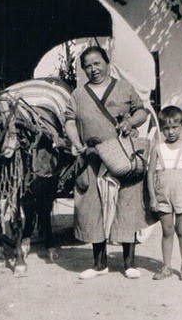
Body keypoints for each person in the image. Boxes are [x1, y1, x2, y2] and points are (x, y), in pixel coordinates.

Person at [64, 46, 149, 279]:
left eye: (97, 63)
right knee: (92, 206)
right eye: (88, 66)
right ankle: (99, 264)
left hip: (122, 155)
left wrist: (130, 122)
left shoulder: (123, 87)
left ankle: (129, 263)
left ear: (107, 62)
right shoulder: (78, 95)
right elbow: (69, 120)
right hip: (91, 157)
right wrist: (75, 140)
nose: (93, 69)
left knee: (127, 202)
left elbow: (142, 111)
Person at [147, 106, 182, 281]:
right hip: (163, 197)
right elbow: (150, 173)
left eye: (174, 127)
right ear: (161, 129)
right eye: (166, 128)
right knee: (167, 231)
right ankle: (167, 266)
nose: (170, 132)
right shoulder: (157, 149)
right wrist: (153, 197)